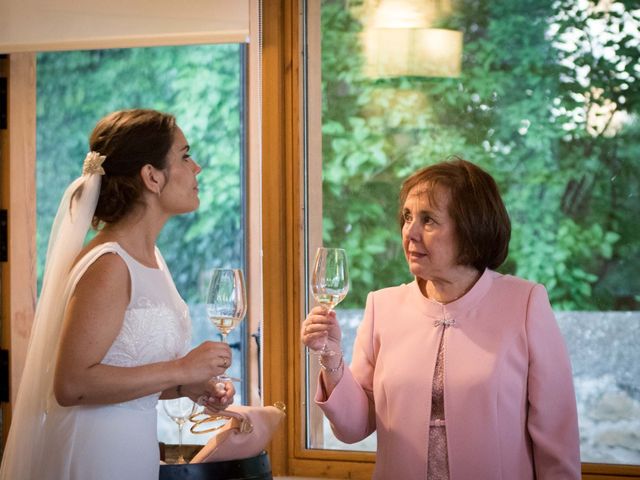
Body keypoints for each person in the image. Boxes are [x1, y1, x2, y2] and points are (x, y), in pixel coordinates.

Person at [301, 157, 581, 479]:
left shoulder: (525, 302)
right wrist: (330, 354)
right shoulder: (382, 306)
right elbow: (354, 427)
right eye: (407, 217)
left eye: (428, 220)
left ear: (470, 228)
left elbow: (556, 439)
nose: (410, 232)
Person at [0, 109, 235, 480]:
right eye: (186, 156)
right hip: (93, 456)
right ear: (152, 176)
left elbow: (127, 380)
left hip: (133, 454)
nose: (197, 169)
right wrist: (181, 367)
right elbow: (72, 385)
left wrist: (187, 385)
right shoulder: (109, 264)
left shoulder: (152, 258)